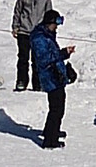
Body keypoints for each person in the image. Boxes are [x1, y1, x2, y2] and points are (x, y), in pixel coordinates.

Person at [30, 9, 75, 149]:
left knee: (58, 107)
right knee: (56, 109)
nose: (57, 27)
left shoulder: (47, 35)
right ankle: (50, 140)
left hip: (55, 76)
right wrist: (62, 53)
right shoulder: (39, 38)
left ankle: (51, 131)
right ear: (49, 23)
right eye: (55, 24)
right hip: (50, 77)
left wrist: (65, 56)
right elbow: (44, 59)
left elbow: (53, 55)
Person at [11, 0, 53, 91]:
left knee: (38, 60)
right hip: (24, 31)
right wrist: (15, 27)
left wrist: (49, 31)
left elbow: (49, 14)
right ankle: (21, 82)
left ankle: (38, 84)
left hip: (39, 33)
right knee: (23, 58)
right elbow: (17, 12)